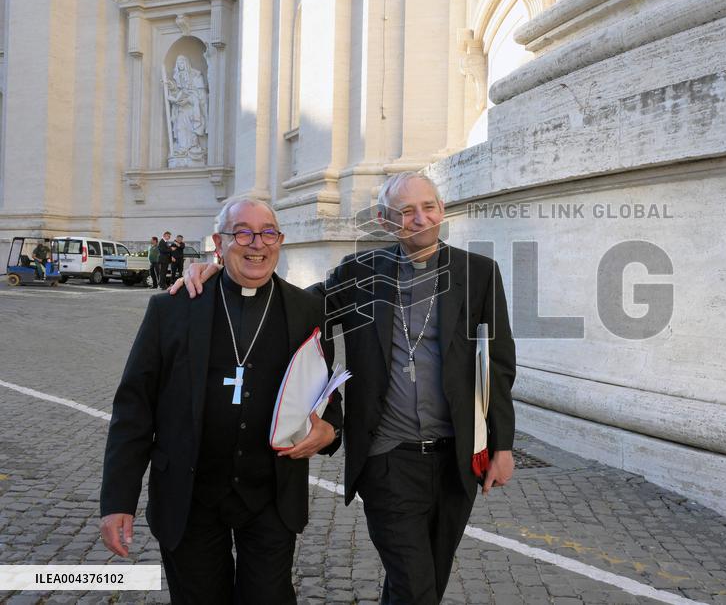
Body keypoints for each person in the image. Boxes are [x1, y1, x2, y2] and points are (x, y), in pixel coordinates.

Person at [177, 172, 517, 604]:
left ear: (442, 210)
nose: (419, 219)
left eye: (428, 207)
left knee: (427, 573)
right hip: (387, 457)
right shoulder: (360, 273)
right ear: (385, 219)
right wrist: (220, 271)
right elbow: (295, 306)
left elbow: (500, 364)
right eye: (405, 211)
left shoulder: (480, 272)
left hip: (456, 459)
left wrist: (502, 446)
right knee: (416, 587)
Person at [101, 198, 342, 603]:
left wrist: (330, 428)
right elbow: (134, 408)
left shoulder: (307, 309)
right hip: (189, 494)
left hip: (270, 495)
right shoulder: (172, 308)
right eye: (242, 233)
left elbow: (326, 391)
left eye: (268, 233)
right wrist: (117, 501)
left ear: (280, 241)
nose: (257, 244)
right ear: (219, 241)